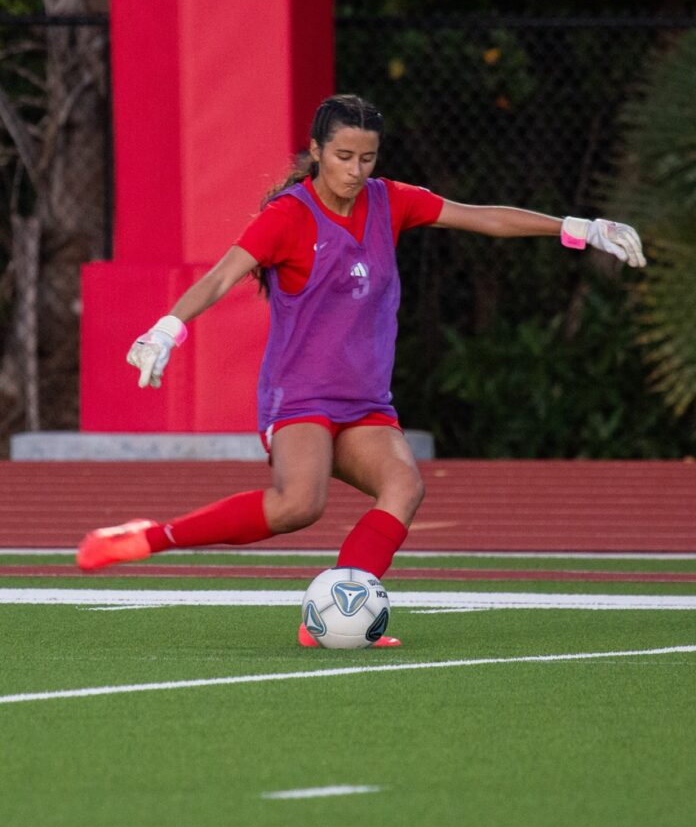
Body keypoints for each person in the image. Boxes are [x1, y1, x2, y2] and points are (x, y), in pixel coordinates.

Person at [76, 93, 646, 646]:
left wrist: (580, 228)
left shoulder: (389, 201)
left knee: (404, 486)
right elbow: (222, 275)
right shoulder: (288, 217)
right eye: (343, 157)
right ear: (317, 151)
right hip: (299, 398)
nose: (355, 170)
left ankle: (334, 616)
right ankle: (150, 537)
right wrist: (168, 328)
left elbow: (479, 218)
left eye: (366, 158)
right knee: (300, 505)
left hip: (366, 401)